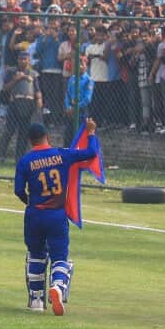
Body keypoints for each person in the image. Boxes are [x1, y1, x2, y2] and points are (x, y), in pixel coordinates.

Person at [14, 120, 100, 315]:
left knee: (35, 255)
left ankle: (36, 300)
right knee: (60, 256)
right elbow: (90, 153)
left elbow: (18, 190)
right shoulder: (62, 154)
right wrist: (91, 133)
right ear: (48, 138)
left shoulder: (25, 161)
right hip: (56, 214)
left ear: (30, 141)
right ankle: (58, 287)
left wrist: (29, 200)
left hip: (35, 214)